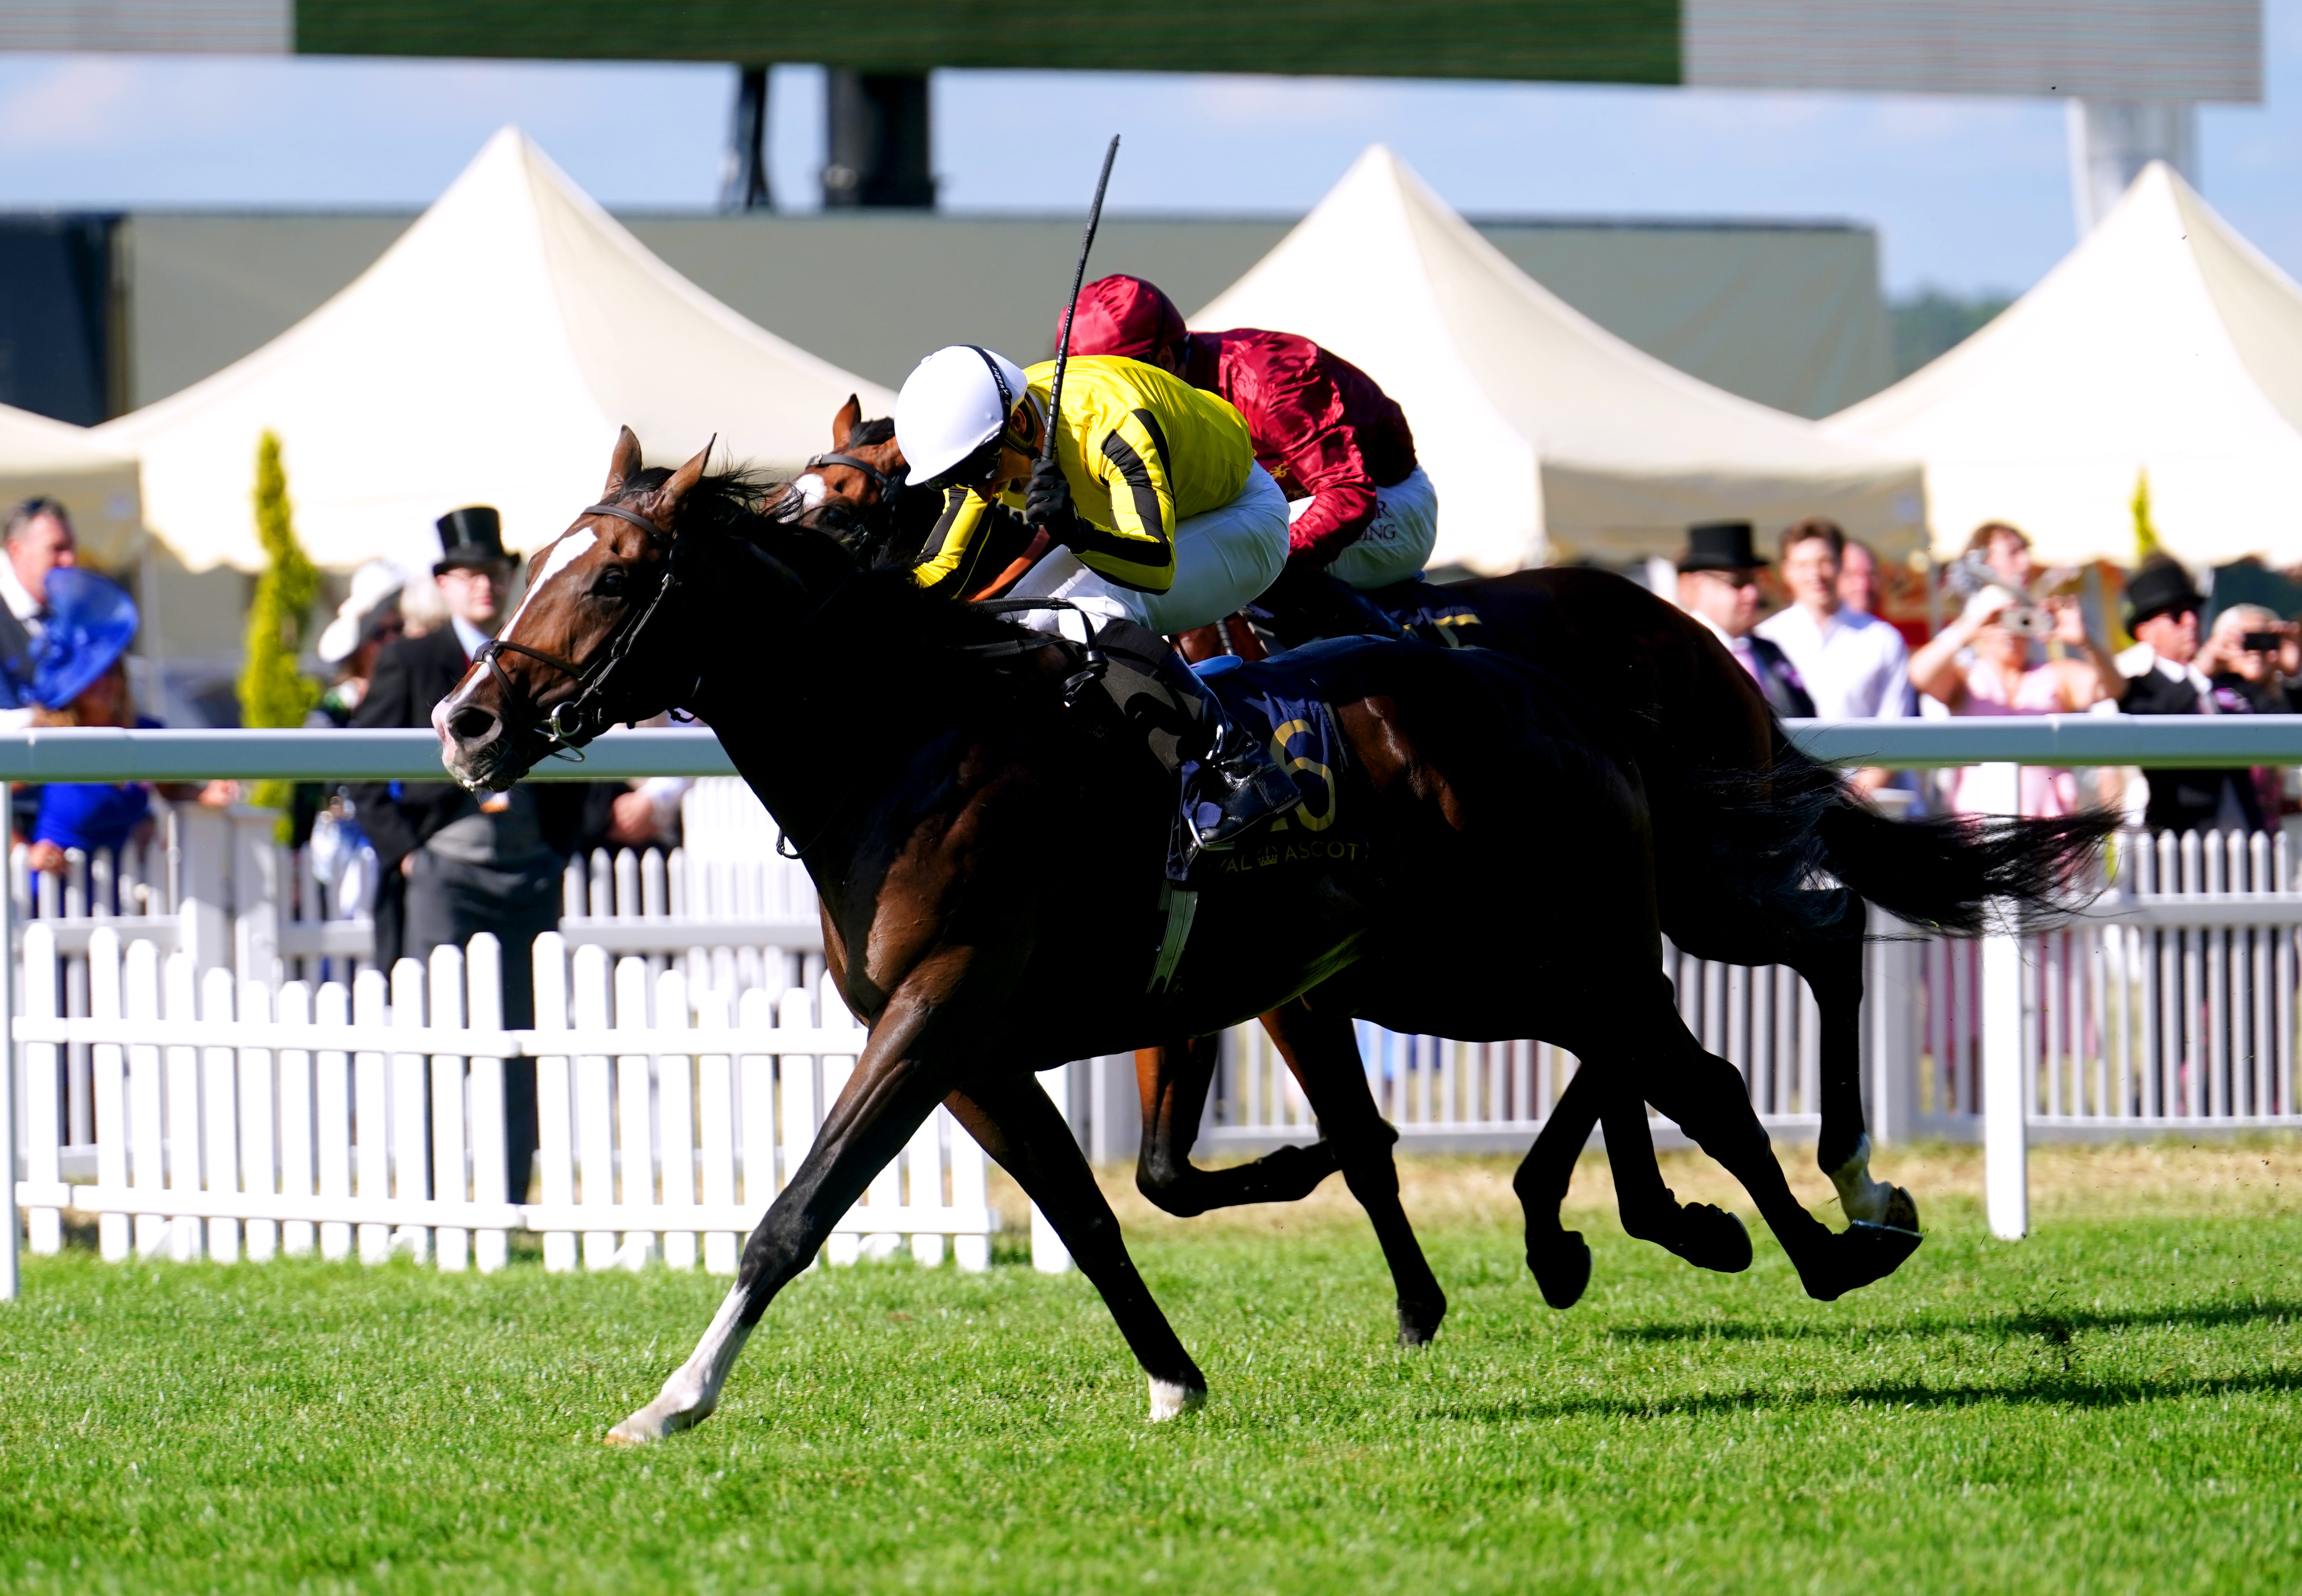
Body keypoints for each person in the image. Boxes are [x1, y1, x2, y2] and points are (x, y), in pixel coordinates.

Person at [892, 343, 1299, 850]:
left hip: (1240, 517)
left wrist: (1076, 531)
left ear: (1020, 421)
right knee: (1019, 620)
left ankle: (1240, 767)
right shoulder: (985, 441)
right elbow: (942, 565)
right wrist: (864, 607)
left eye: (983, 472)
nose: (983, 489)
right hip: (1151, 519)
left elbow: (1154, 567)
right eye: (960, 480)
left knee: (1080, 614)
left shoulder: (1112, 425)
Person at [346, 507, 612, 1203]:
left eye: (492, 572)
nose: (483, 586)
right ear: (444, 584)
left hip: (527, 871)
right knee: (439, 1036)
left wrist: (559, 849)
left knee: (521, 1042)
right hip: (444, 871)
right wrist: (408, 854)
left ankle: (510, 1197)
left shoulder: (536, 645)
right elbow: (360, 768)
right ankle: (436, 1199)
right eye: (467, 575)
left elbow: (589, 753)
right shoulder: (411, 659)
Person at [1061, 275, 1434, 600]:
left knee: (1210, 558)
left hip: (1389, 504)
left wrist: (1259, 564)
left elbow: (1349, 494)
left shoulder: (1267, 381)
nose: (1109, 400)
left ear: (1166, 360)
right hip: (1280, 510)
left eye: (1121, 381)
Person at [16, 569, 235, 883]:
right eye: (92, 675)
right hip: (54, 893)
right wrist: (24, 851)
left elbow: (171, 789)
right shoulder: (50, 739)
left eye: (112, 671)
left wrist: (206, 795)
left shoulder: (144, 734)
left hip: (123, 892)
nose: (105, 682)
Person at [1909, 582, 2118, 816]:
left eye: (2018, 618)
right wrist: (1968, 629)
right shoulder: (1965, 679)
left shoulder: (2057, 676)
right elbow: (1920, 674)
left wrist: (2085, 641)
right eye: (1998, 619)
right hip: (1977, 827)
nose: (2008, 629)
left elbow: (2111, 687)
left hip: (2049, 826)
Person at [2114, 555, 2268, 835]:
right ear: (2145, 632)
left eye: (2195, 610)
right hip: (2181, 837)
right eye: (2176, 615)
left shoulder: (2227, 679)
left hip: (2245, 831)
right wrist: (2199, 671)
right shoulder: (2139, 688)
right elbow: (2156, 725)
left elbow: (2280, 719)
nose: (2191, 621)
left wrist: (2275, 675)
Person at [1755, 518, 1911, 792]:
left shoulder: (1882, 639)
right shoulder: (1766, 640)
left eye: (1824, 562)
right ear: (1786, 571)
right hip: (1791, 797)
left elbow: (1896, 731)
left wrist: (1853, 800)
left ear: (1841, 564)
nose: (1815, 574)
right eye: (1802, 565)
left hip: (1872, 802)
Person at [1674, 521, 1813, 719]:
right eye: (1738, 583)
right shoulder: (1680, 656)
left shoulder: (1769, 651)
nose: (1752, 594)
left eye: (1754, 581)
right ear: (1700, 585)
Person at [2197, 603, 2296, 827]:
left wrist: (2292, 670)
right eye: (2246, 640)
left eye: (2265, 640)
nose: (2256, 650)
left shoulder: (2283, 696)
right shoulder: (2210, 693)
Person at [0, 496, 79, 718]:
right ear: (16, 550)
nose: (69, 560)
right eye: (57, 549)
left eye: (71, 548)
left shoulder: (75, 621)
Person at [1837, 538, 1880, 616]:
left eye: (1870, 575)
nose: (1863, 585)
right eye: (1851, 575)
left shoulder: (1884, 623)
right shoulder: (1815, 623)